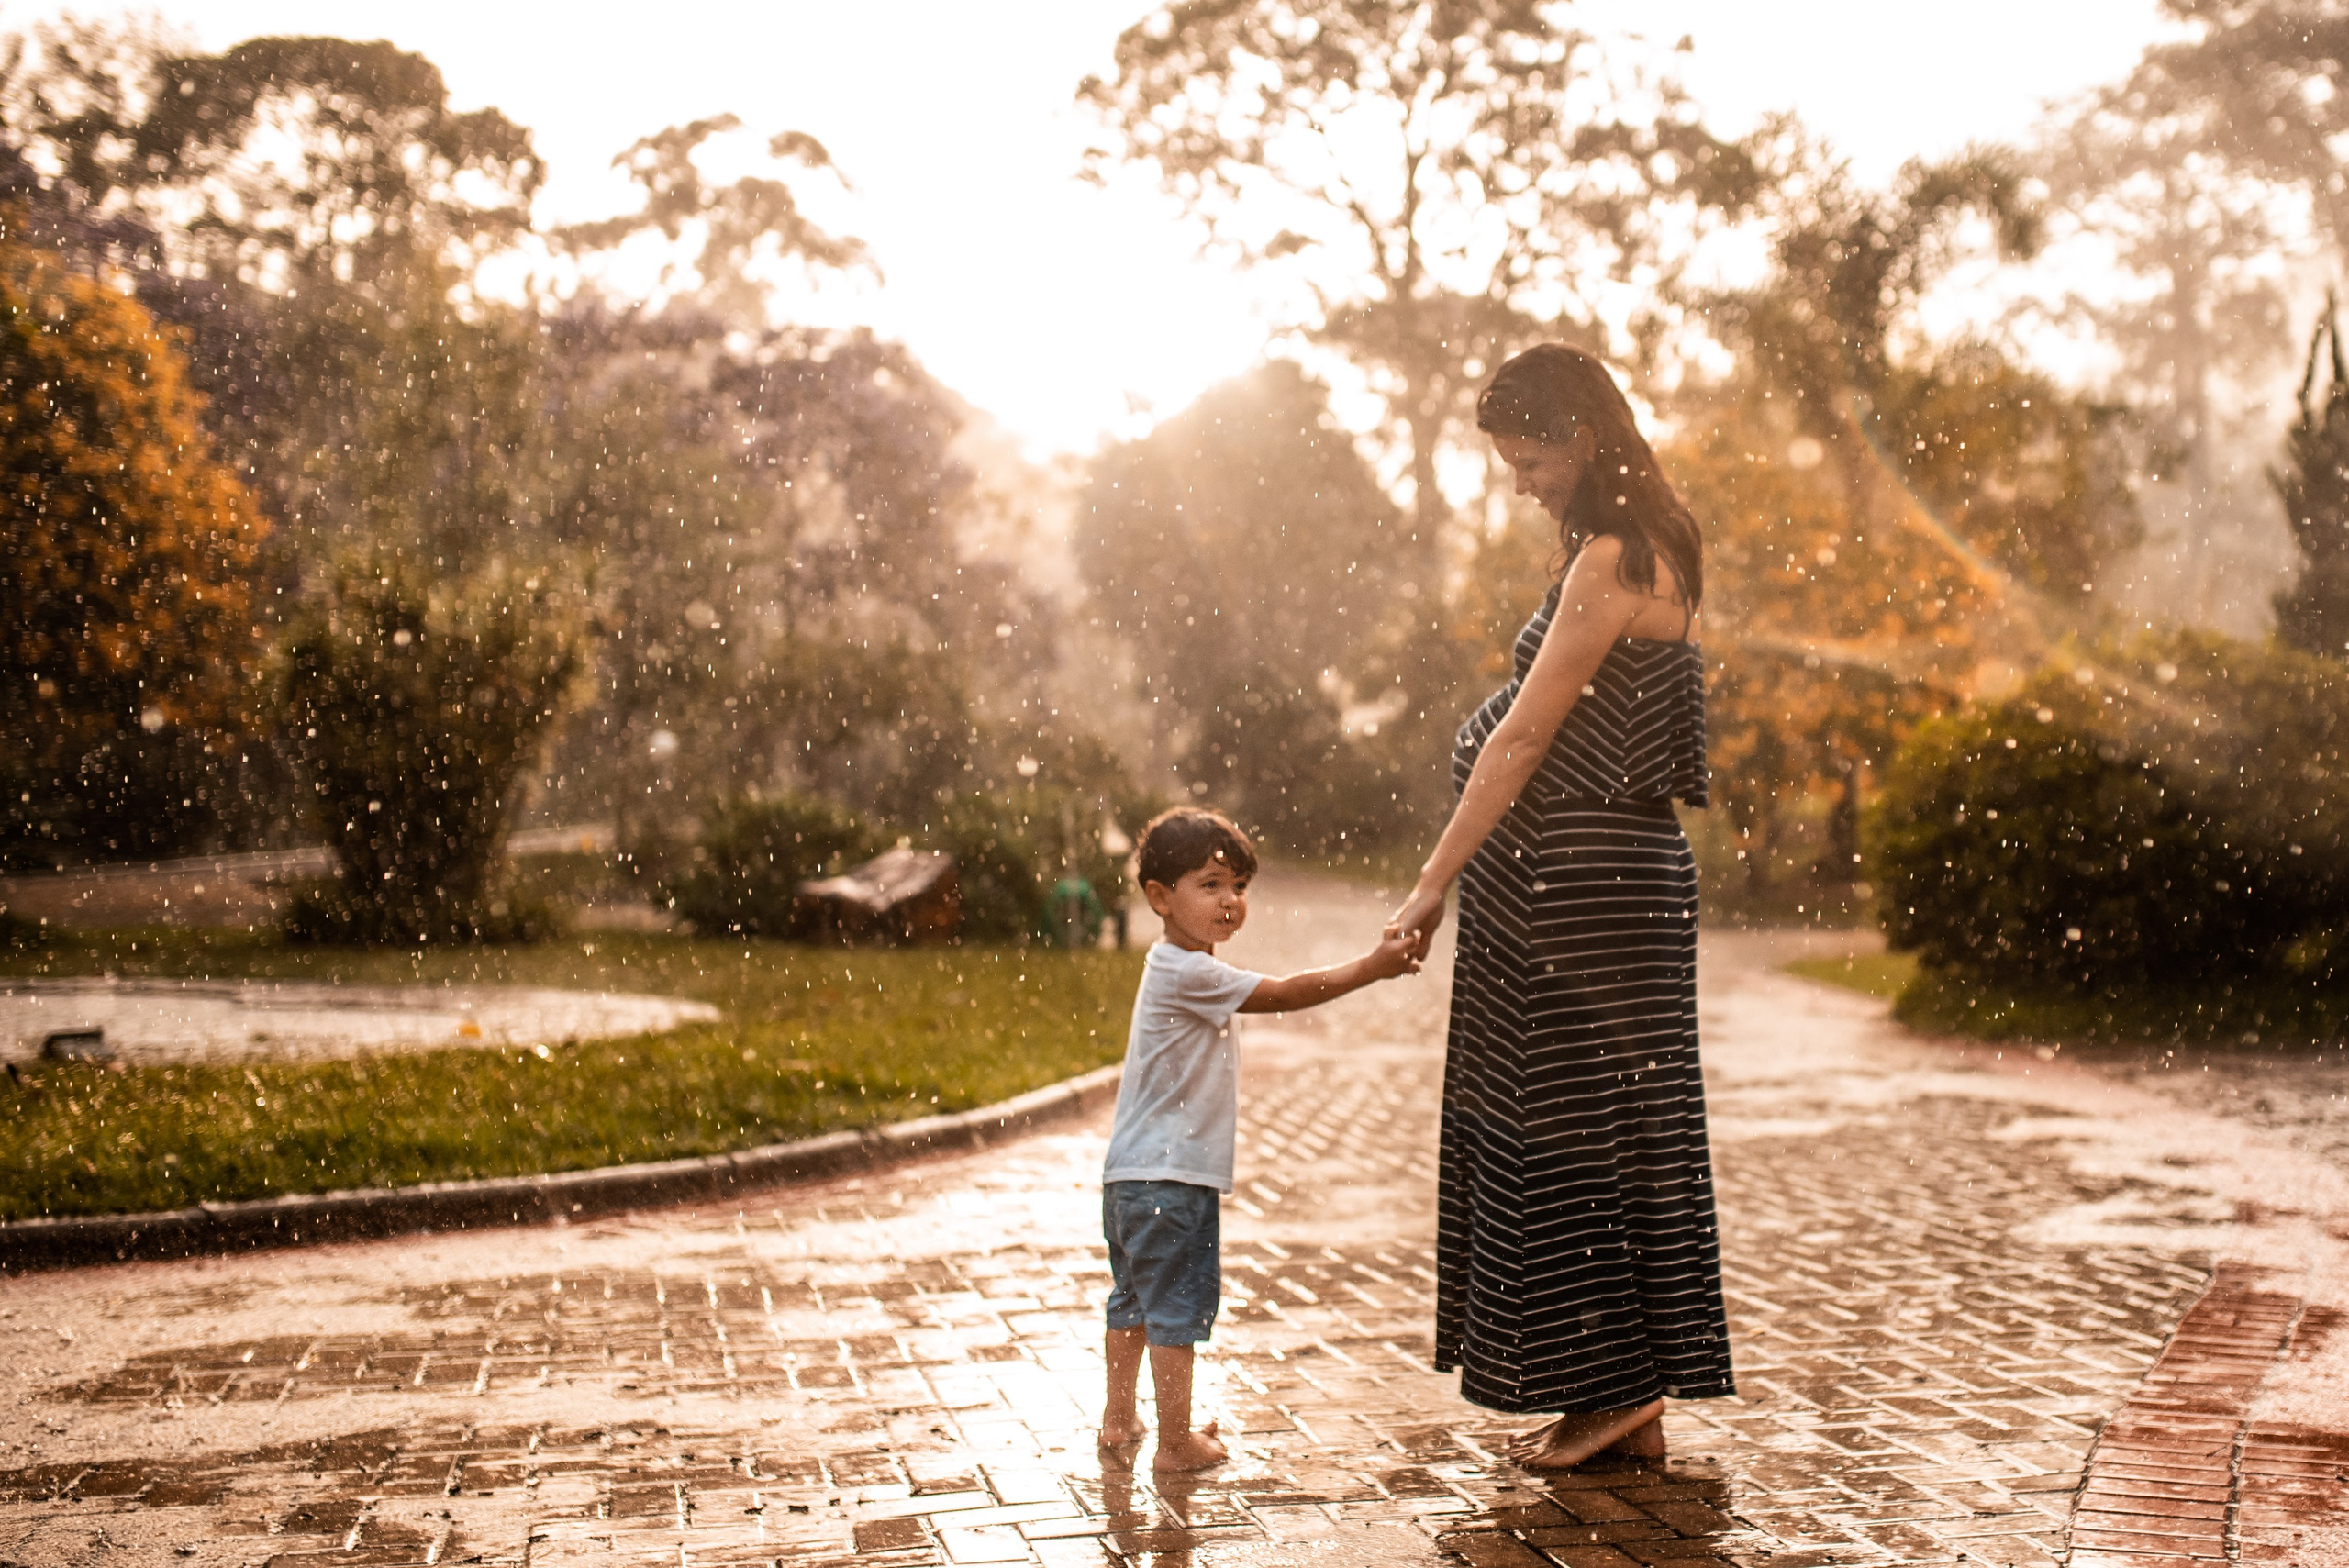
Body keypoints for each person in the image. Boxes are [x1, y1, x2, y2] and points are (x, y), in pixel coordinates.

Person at [1385, 343, 1735, 1469]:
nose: (1520, 478)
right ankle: (1618, 1390)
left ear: (1583, 437)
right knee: (1611, 1126)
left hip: (1571, 882)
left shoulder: (1610, 561)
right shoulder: (1652, 544)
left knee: (1562, 1129)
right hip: (1605, 875)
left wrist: (1431, 881)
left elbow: (1526, 737)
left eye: (1530, 457)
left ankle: (1610, 1385)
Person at [1099, 806, 1420, 1471]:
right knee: (1176, 1309)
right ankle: (1176, 1441)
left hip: (1129, 1176)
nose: (1230, 901)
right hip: (1173, 1178)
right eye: (1211, 884)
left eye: (1239, 885)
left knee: (1133, 1299)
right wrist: (1372, 966)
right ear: (1160, 896)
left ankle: (1120, 1416)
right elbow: (1284, 992)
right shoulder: (1192, 972)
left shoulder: (1172, 965)